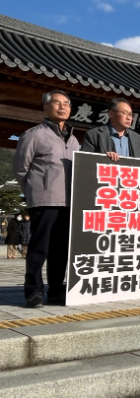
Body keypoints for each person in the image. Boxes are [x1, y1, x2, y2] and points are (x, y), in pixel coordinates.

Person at [13, 90, 80, 307]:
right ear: (45, 107)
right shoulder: (33, 135)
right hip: (44, 201)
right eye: (57, 103)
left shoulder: (74, 139)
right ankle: (33, 290)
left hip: (69, 202)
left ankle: (56, 290)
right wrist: (35, 191)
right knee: (39, 247)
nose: (62, 107)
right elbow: (21, 169)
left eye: (67, 104)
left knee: (60, 250)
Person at [81, 98, 140, 164]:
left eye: (130, 114)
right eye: (125, 113)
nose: (129, 118)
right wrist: (103, 158)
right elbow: (84, 161)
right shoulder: (94, 135)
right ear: (111, 114)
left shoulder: (138, 139)